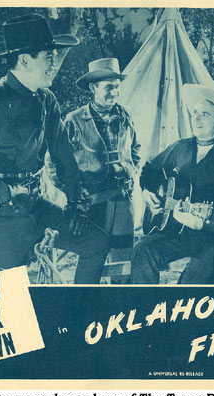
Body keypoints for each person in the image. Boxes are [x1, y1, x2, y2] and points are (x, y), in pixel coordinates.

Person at [0, 14, 110, 283]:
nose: (54, 63)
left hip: (38, 205)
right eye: (48, 56)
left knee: (96, 242)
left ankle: (78, 311)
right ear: (24, 60)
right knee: (10, 298)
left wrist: (76, 202)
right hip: (0, 216)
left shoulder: (47, 100)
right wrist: (6, 192)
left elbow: (64, 156)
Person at [130, 82, 214, 284]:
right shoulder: (180, 147)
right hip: (177, 233)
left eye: (205, 115)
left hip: (213, 239)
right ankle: (143, 308)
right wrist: (147, 190)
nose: (196, 119)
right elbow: (150, 169)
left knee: (192, 281)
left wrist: (204, 222)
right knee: (143, 249)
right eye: (195, 113)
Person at [64, 58, 141, 255]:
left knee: (122, 257)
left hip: (123, 199)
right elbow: (55, 162)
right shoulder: (75, 120)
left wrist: (132, 171)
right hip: (91, 202)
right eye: (109, 87)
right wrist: (72, 193)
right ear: (93, 88)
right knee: (93, 257)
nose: (114, 92)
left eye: (117, 87)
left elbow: (135, 149)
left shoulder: (125, 116)